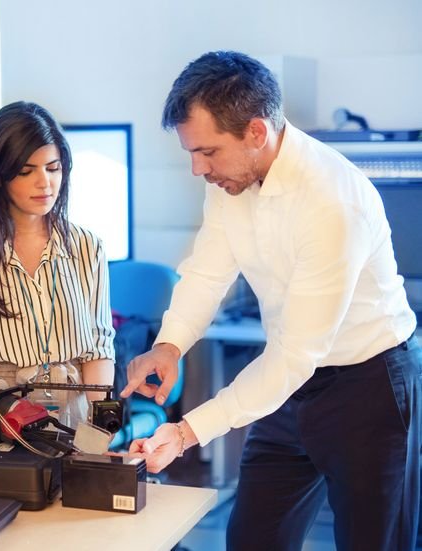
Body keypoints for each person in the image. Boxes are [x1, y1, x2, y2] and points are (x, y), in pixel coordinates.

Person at [122, 51, 421, 551]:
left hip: (369, 388)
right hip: (288, 387)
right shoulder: (231, 179)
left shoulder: (331, 201)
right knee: (254, 539)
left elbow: (294, 356)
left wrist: (187, 431)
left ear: (256, 133)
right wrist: (170, 346)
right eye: (191, 153)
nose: (198, 169)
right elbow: (207, 270)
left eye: (208, 152)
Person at [0, 101, 116, 442]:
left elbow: (98, 350)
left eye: (53, 168)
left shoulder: (88, 247)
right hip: (1, 419)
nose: (44, 183)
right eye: (26, 171)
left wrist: (103, 431)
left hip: (75, 421)